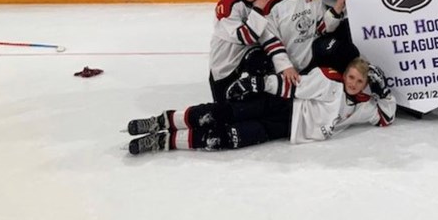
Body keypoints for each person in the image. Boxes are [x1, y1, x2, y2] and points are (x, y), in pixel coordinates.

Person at [125, 57, 396, 154]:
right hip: (282, 106)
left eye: (360, 81)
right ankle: (163, 121)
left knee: (230, 138)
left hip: (284, 130)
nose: (354, 83)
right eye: (351, 77)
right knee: (222, 113)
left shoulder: (362, 105)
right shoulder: (330, 82)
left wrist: (383, 90)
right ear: (345, 73)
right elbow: (293, 85)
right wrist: (259, 83)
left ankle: (167, 142)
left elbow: (386, 115)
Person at [258, 0, 358, 86]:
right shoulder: (268, 2)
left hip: (313, 56)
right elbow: (270, 40)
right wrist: (284, 66)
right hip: (286, 62)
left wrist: (338, 7)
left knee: (346, 50)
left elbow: (323, 28)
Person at [208, 0, 271, 102]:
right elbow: (246, 37)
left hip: (246, 58)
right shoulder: (228, 6)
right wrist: (258, 10)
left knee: (261, 62)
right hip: (225, 63)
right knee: (223, 110)